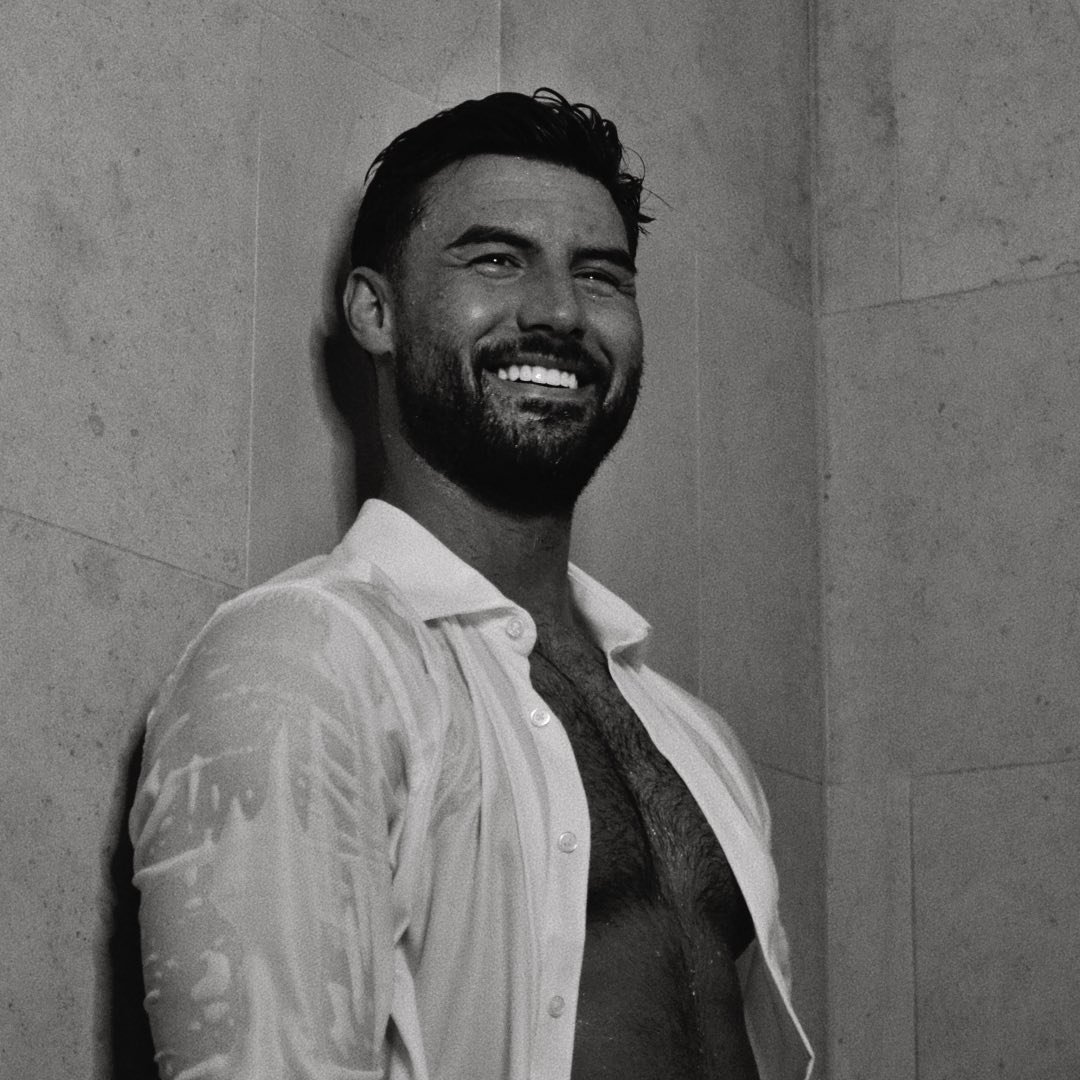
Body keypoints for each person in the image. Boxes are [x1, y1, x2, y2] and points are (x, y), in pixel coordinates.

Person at [130, 88, 813, 1080]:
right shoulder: (303, 665)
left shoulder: (697, 741)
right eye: (496, 260)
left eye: (600, 274)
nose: (560, 312)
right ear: (376, 311)